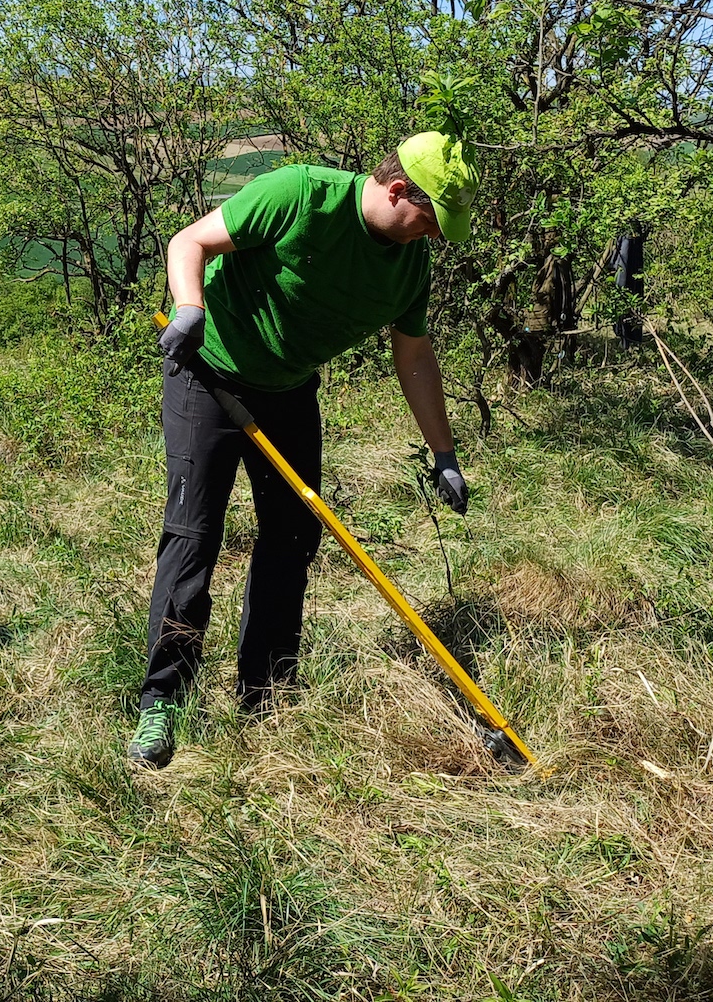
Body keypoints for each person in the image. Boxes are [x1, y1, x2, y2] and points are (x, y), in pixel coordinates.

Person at [127, 131, 479, 769]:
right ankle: (163, 701)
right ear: (399, 190)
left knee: (293, 536)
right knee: (194, 535)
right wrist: (188, 308)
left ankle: (264, 689)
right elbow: (190, 242)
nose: (434, 236)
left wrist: (444, 454)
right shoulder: (299, 194)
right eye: (432, 219)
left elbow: (414, 355)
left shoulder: (409, 263)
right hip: (208, 373)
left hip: (288, 391)